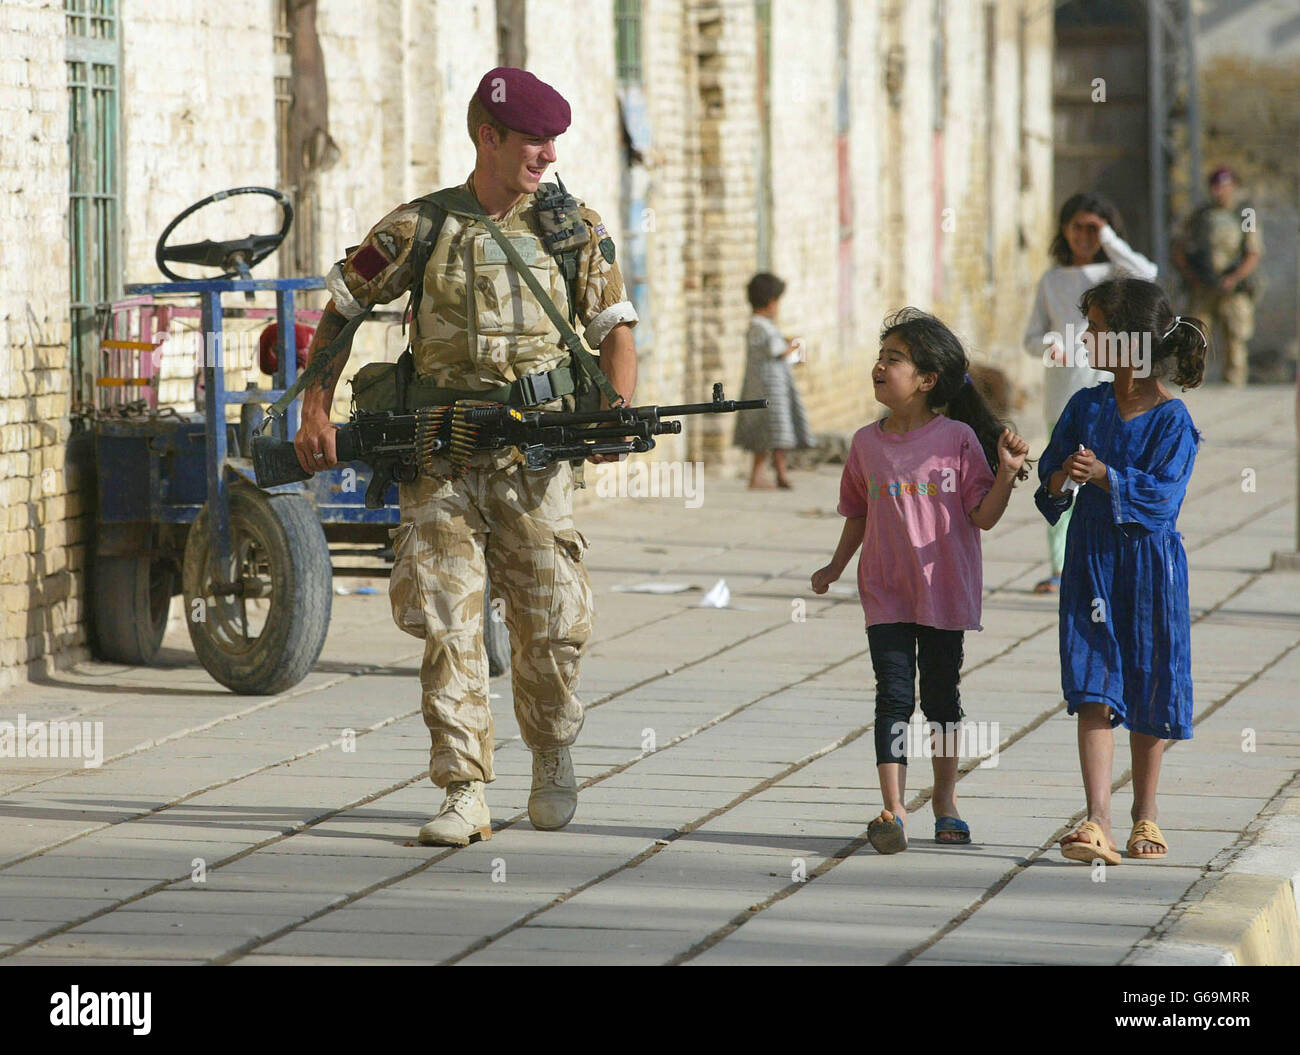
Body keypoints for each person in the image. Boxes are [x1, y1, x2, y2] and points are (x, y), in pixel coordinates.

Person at [293, 67, 639, 846]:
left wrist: (614, 414)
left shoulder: (571, 229)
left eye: (553, 143)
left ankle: (551, 746)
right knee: (448, 621)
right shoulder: (421, 227)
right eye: (534, 141)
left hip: (534, 461)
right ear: (489, 136)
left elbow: (617, 327)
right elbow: (344, 308)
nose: (548, 155)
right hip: (440, 453)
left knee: (551, 623)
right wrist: (316, 405)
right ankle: (463, 788)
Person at [811, 309, 1030, 853]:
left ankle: (946, 802)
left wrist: (1004, 473)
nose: (879, 368)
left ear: (928, 380)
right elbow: (857, 513)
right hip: (884, 589)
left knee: (940, 698)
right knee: (892, 696)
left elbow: (982, 516)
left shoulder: (957, 439)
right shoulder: (865, 443)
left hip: (944, 590)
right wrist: (835, 567)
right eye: (879, 358)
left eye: (893, 359)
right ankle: (892, 810)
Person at [1035, 278, 1206, 864]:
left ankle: (1145, 813)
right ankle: (1097, 818)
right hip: (1091, 559)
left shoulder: (1172, 420)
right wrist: (1064, 478)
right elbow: (1049, 478)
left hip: (1150, 567)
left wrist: (1109, 476)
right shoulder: (1085, 406)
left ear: (1132, 343)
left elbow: (1163, 500)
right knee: (1093, 683)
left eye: (1097, 328)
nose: (1086, 338)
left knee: (1150, 677)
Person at [1023, 192, 1156, 594]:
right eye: (1076, 226)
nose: (1083, 235)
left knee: (1104, 478)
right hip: (1063, 392)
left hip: (1109, 391)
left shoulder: (1115, 275)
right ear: (1063, 229)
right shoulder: (1051, 279)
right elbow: (1031, 338)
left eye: (1091, 227)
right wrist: (1052, 344)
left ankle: (1107, 564)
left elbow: (1148, 273)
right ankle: (1060, 567)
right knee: (1060, 476)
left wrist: (1109, 239)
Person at [1173, 166, 1263, 387]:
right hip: (1203, 285)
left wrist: (1234, 277)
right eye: (1215, 186)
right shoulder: (1200, 215)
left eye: (1224, 186)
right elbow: (1179, 247)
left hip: (1233, 286)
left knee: (1236, 335)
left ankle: (1234, 382)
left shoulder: (1245, 214)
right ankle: (1193, 379)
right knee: (1197, 334)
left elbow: (1253, 252)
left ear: (1233, 186)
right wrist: (1190, 274)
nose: (1219, 191)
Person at [733, 273, 815, 489]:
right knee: (773, 432)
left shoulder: (763, 326)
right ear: (771, 302)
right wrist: (795, 346)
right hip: (770, 390)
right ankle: (762, 475)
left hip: (773, 387)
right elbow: (777, 351)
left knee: (775, 434)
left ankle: (777, 473)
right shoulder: (760, 326)